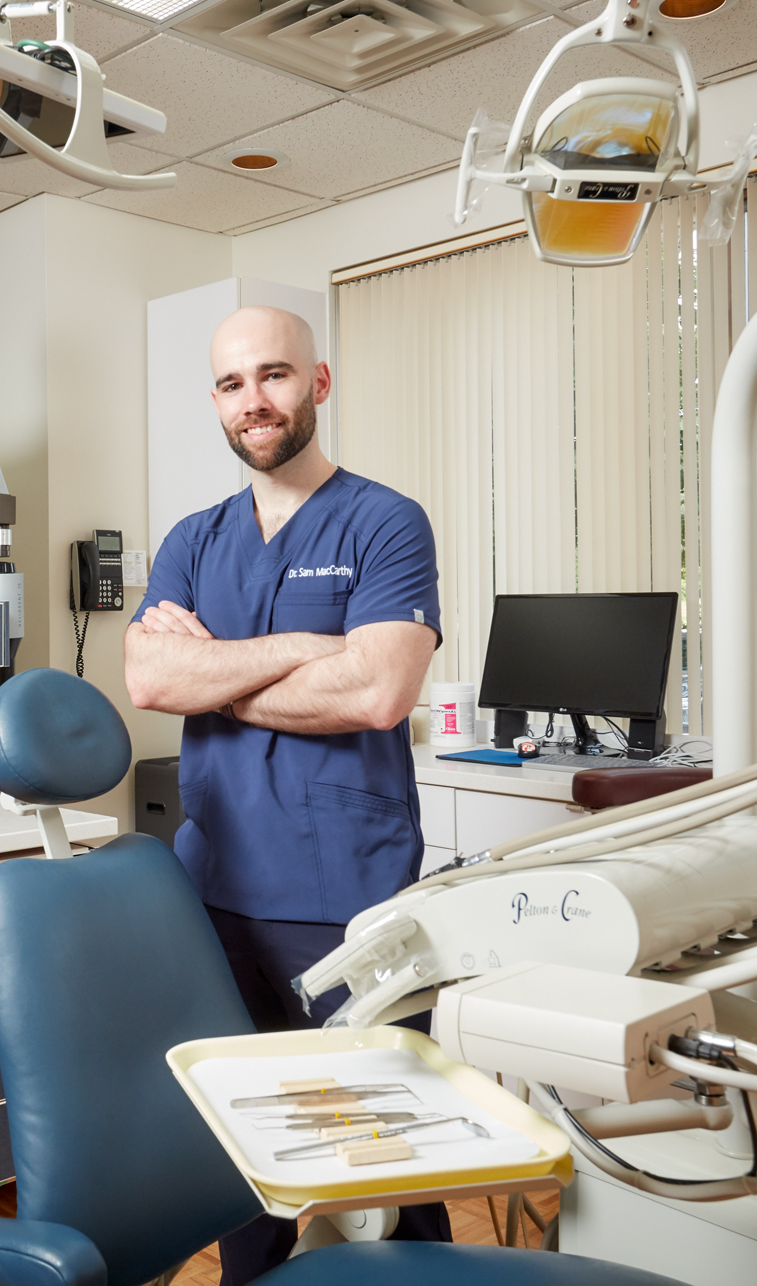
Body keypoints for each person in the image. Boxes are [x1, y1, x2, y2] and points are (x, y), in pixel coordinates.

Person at [123, 306, 449, 1282]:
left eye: (272, 376)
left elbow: (378, 689)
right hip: (213, 892)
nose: (252, 401)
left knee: (383, 1152)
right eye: (230, 384)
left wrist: (214, 671)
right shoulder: (191, 539)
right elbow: (148, 682)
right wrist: (308, 655)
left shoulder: (384, 521)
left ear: (317, 382)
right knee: (247, 1151)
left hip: (343, 898)